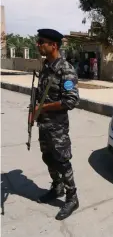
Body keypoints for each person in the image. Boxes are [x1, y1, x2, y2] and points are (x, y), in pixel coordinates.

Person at [33, 28, 80, 220]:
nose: (38, 44)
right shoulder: (45, 66)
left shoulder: (65, 69)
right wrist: (34, 111)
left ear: (53, 45)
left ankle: (72, 197)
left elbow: (71, 101)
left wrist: (43, 108)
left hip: (58, 127)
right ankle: (57, 186)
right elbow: (40, 94)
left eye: (41, 41)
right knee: (47, 157)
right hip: (44, 124)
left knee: (62, 161)